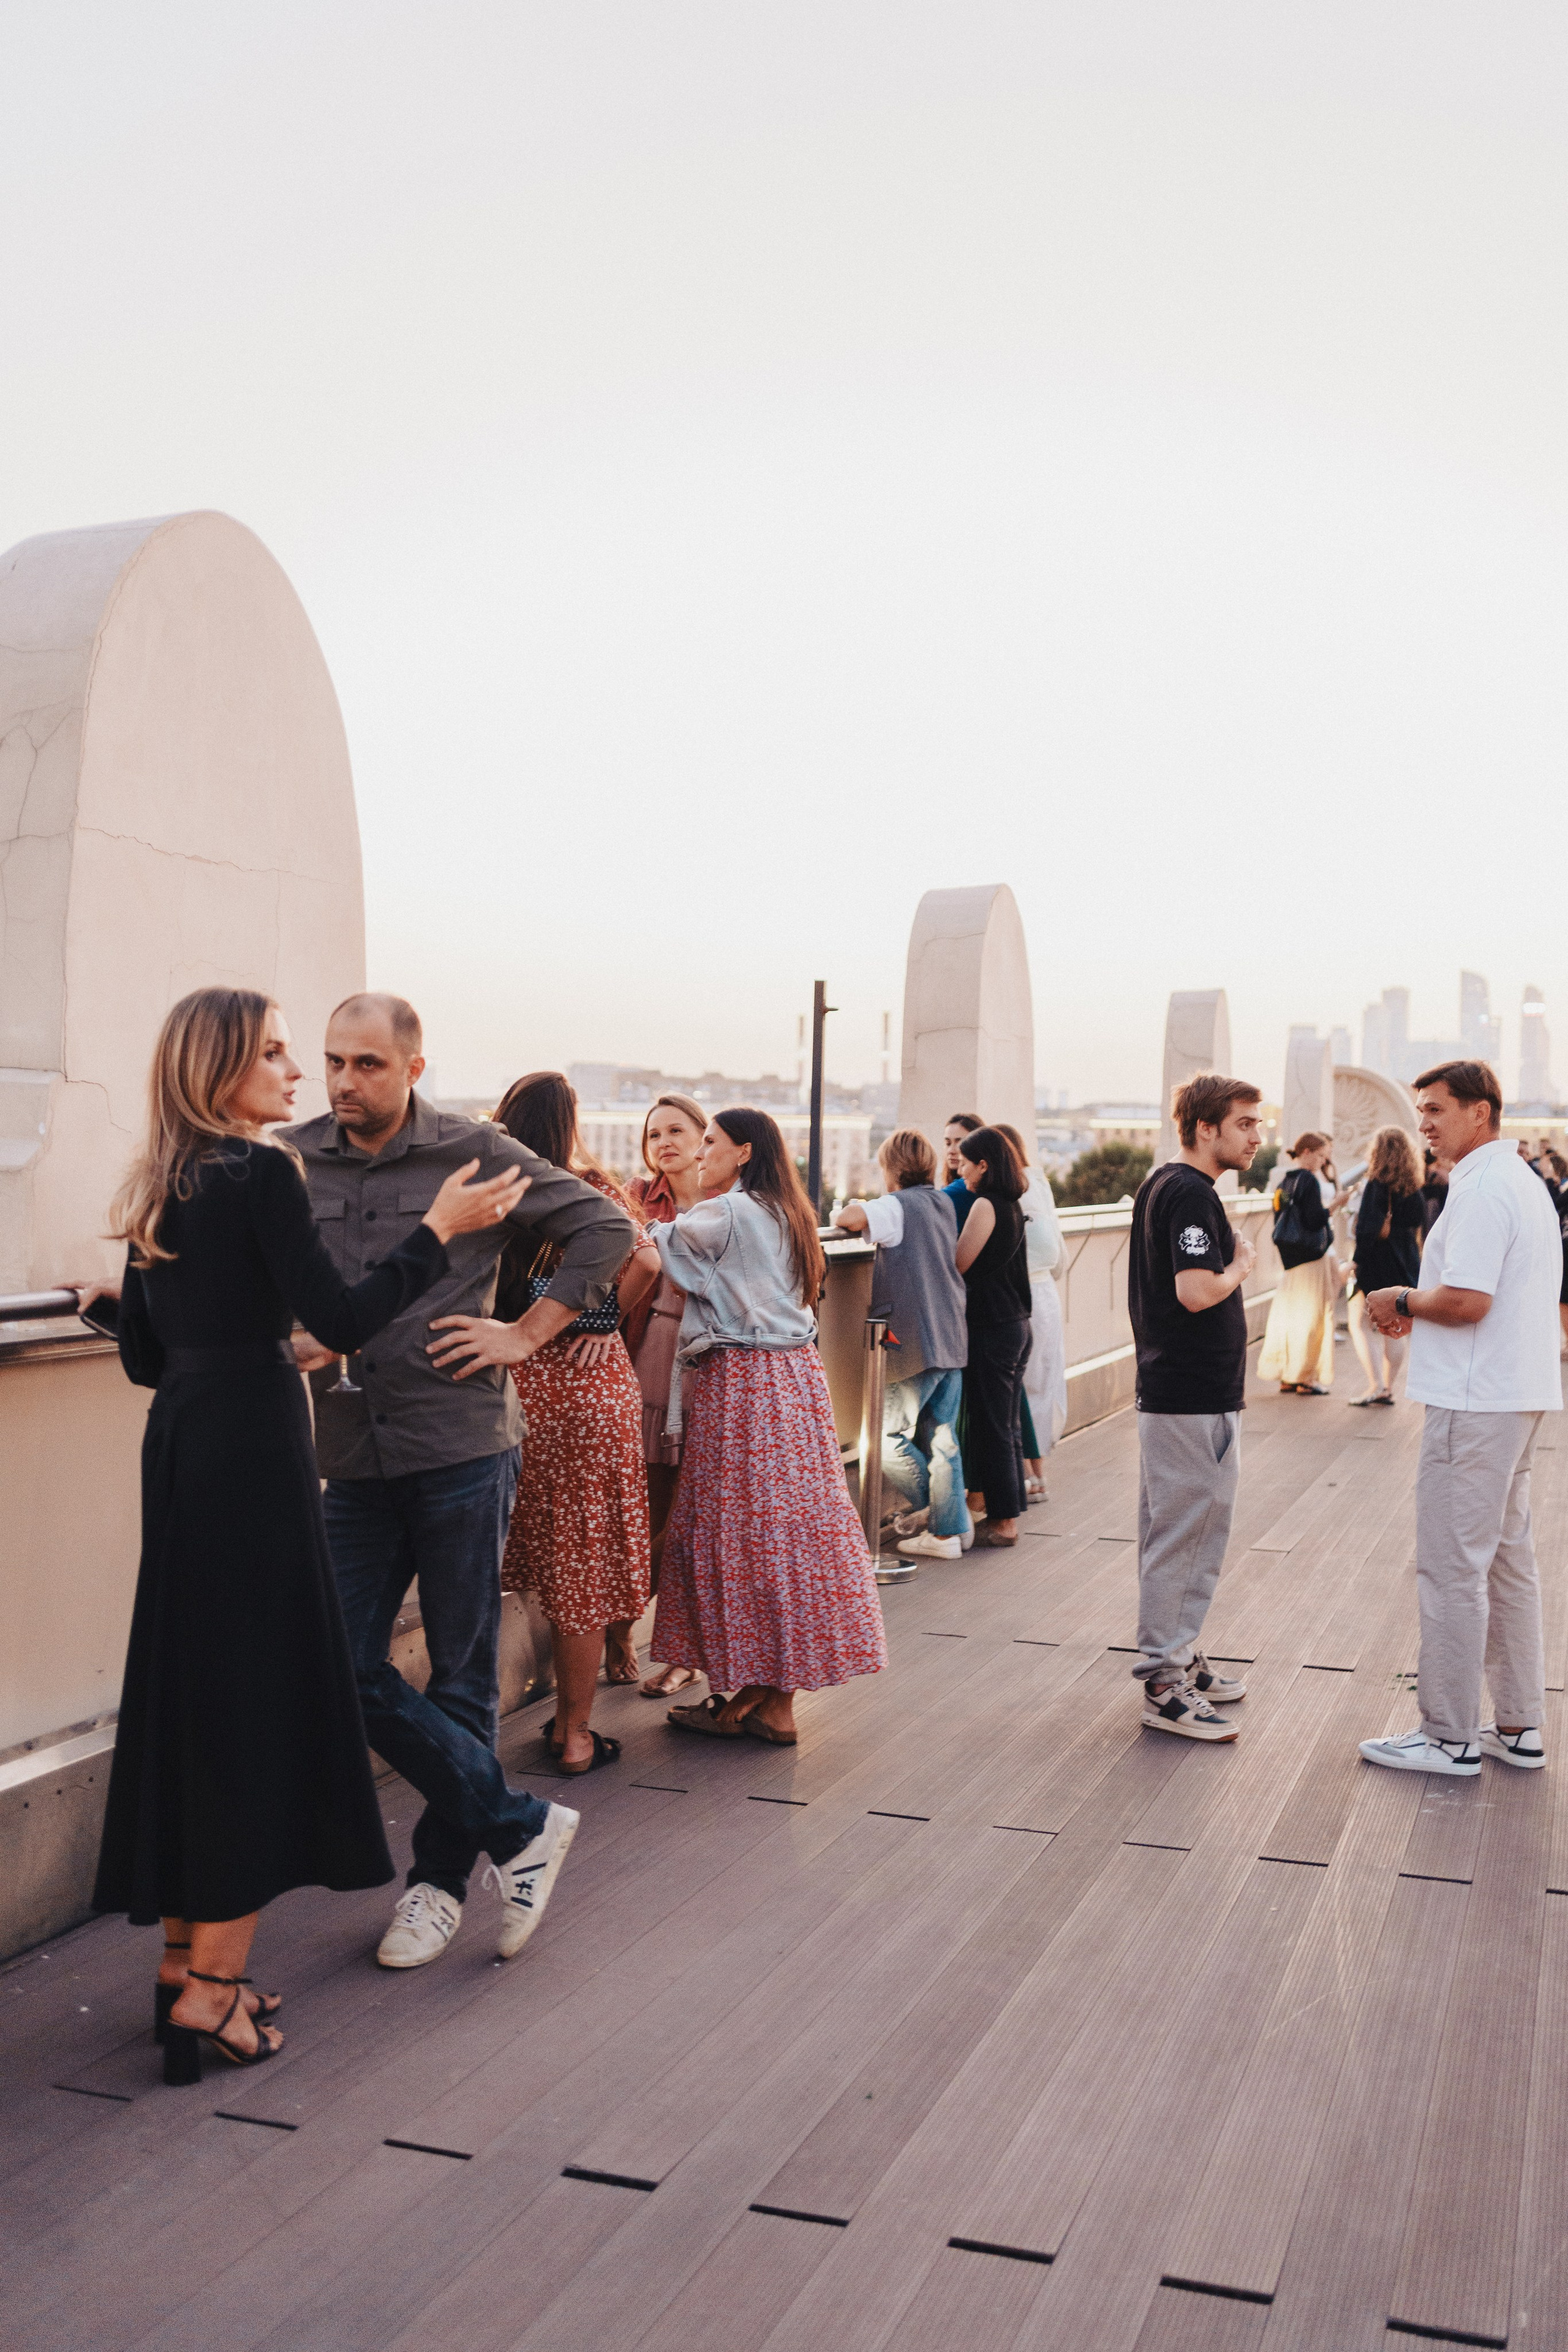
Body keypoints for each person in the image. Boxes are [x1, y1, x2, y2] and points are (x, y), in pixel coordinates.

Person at [91, 987, 538, 2081]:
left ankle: (182, 1971)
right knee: (259, 1706)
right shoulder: (262, 1171)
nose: (303, 1078)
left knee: (195, 1694)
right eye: (282, 1056)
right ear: (224, 1069)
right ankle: (212, 1994)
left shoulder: (160, 1181)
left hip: (182, 1448)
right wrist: (438, 1232)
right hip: (255, 1453)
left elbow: (144, 1357)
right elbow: (339, 1320)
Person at [287, 994, 633, 1970]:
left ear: (413, 1067)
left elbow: (607, 1230)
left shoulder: (473, 1154)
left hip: (463, 1449)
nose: (345, 1082)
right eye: (333, 1062)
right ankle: (521, 1825)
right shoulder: (294, 1158)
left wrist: (526, 1333)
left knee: (462, 1674)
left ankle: (436, 1889)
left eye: (367, 1064)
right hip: (352, 1455)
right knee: (333, 1662)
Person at [650, 1108, 887, 1744]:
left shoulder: (728, 1213)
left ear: (744, 1151)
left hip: (742, 1385)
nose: (699, 1153)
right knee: (791, 1530)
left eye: (709, 1142)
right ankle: (769, 1694)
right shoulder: (788, 1212)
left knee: (739, 1532)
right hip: (795, 1380)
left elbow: (653, 1244)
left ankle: (766, 1699)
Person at [1360, 1060, 1563, 1778]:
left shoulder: (1479, 1188)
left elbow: (1468, 1300)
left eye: (1436, 1109)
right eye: (1420, 1110)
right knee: (1507, 1564)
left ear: (1481, 1113)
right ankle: (1517, 1725)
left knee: (1451, 1567)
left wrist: (1400, 1300)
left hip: (1475, 1404)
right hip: (1516, 1392)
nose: (1423, 1122)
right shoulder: (1524, 1182)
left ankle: (1447, 1735)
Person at [481, 1072, 658, 1774]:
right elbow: (647, 1258)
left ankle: (480, 1735)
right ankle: (575, 1732)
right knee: (580, 1566)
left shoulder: (492, 1191)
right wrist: (605, 1319)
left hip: (516, 1387)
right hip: (591, 1386)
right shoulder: (589, 1188)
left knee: (515, 1556)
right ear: (571, 1123)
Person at [1126, 1073, 1263, 1741]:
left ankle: (1177, 1654)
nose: (1256, 1137)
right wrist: (1241, 1266)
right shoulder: (1189, 1193)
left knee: (1175, 1532)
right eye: (1244, 1123)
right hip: (1190, 1395)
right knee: (1189, 1535)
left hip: (1177, 1392)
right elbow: (1196, 1291)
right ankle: (1164, 1682)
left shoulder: (1166, 1183)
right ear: (1205, 1128)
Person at [831, 1127, 971, 1564]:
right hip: (950, 1333)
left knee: (886, 1438)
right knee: (943, 1437)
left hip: (911, 1339)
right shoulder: (942, 1203)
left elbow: (849, 1220)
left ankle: (945, 1522)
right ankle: (953, 1528)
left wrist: (857, 1204)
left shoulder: (896, 1206)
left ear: (890, 1169)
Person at [624, 1093, 710, 1697]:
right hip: (653, 1349)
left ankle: (681, 1653)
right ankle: (619, 1629)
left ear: (705, 1136)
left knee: (693, 1516)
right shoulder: (635, 1197)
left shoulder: (732, 1200)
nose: (664, 1143)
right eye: (654, 1135)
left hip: (713, 1359)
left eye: (676, 1130)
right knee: (648, 1505)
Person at [953, 1126, 1033, 1547]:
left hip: (993, 1326)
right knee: (1006, 1423)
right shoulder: (1012, 1204)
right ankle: (1005, 1509)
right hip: (1015, 1322)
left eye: (966, 1163)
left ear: (984, 1165)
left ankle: (1004, 1521)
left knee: (994, 1426)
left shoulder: (985, 1205)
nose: (960, 1170)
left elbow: (959, 1263)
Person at [995, 1121, 1068, 1499]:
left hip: (1024, 1295)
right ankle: (1036, 1472)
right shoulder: (1038, 1183)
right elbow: (1056, 1251)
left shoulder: (1012, 1191)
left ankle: (1027, 1472)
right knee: (1042, 1382)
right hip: (1047, 1293)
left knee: (1023, 1386)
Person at [1257, 1133, 1348, 1395]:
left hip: (1291, 1258)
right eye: (1320, 1156)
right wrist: (1335, 1205)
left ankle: (1287, 1374)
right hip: (1312, 1256)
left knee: (1290, 1316)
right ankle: (1306, 1378)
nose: (1322, 1162)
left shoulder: (1286, 1180)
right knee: (1313, 1317)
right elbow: (1314, 1219)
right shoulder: (1308, 1180)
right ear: (1306, 1152)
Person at [1346, 1124, 1425, 1406]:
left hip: (1378, 1261)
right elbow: (1418, 1222)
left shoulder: (1376, 1185)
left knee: (1359, 1323)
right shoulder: (1415, 1187)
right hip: (1406, 1260)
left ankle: (1376, 1384)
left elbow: (1367, 1230)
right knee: (1395, 1326)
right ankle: (1389, 1387)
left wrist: (1355, 1262)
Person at [941, 1112, 984, 1231]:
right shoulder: (951, 1186)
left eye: (960, 1143)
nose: (951, 1150)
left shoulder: (965, 1188)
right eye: (948, 1143)